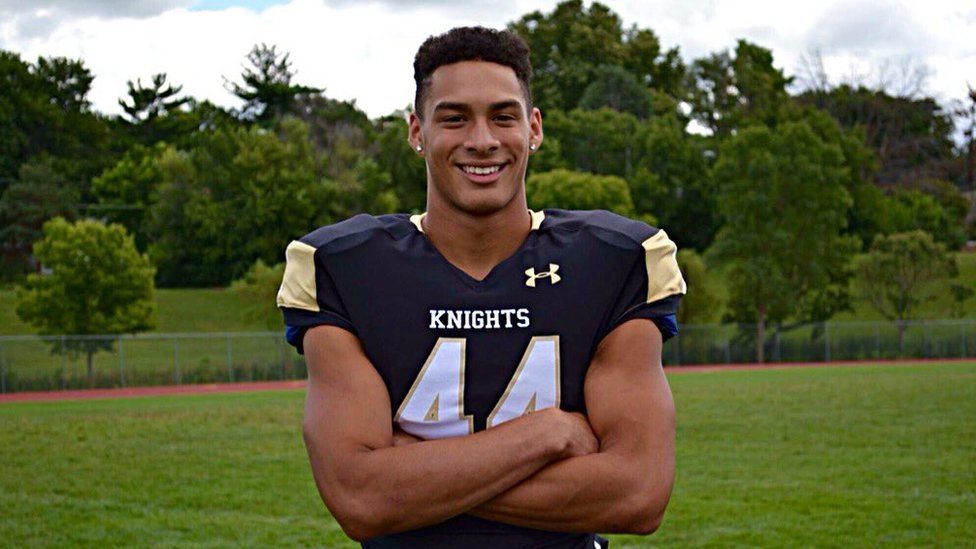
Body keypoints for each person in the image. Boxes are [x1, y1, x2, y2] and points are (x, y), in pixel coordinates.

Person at [277, 26, 685, 549]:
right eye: (453, 118)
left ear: (533, 128)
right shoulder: (344, 267)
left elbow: (638, 493)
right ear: (416, 131)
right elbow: (361, 500)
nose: (482, 140)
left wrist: (410, 474)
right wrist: (547, 434)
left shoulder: (613, 260)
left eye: (503, 116)